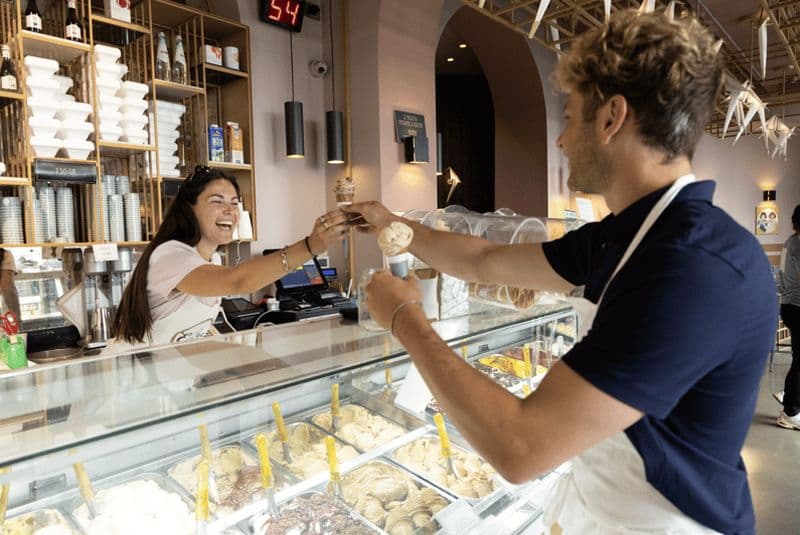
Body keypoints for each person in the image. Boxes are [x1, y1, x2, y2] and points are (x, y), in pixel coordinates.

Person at [347, 10, 776, 535]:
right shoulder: (627, 234)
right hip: (603, 506)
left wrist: (405, 319)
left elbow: (521, 447)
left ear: (612, 118)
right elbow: (483, 259)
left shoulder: (689, 268)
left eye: (570, 117)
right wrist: (397, 226)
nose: (561, 140)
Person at [109, 165, 349, 352]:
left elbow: (196, 332)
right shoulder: (169, 255)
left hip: (165, 386)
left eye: (235, 204)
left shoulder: (209, 261)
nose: (229, 211)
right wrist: (310, 246)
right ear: (189, 209)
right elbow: (238, 281)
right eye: (217, 202)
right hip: (126, 386)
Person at [777, 204, 800, 429]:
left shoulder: (790, 241)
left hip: (789, 306)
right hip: (797, 306)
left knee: (798, 357)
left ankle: (791, 396)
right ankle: (790, 411)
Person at [0, 248, 20, 319]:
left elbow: (7, 289)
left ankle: (17, 326)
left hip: (3, 254)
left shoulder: (6, 254)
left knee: (8, 289)